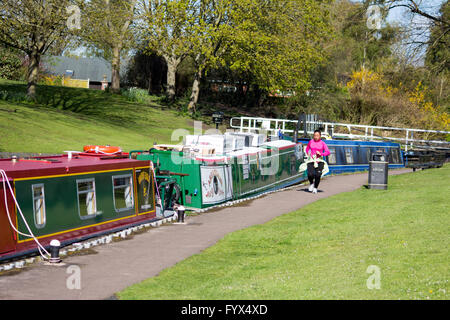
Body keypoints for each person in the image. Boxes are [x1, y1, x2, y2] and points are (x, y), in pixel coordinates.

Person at [305, 130, 330, 194]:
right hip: (311, 160)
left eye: (317, 136)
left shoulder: (323, 143)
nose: (315, 137)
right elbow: (307, 149)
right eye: (314, 135)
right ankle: (311, 183)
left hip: (319, 161)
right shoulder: (311, 142)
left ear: (320, 136)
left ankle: (315, 188)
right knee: (310, 174)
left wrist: (321, 154)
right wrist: (308, 153)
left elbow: (328, 152)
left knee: (318, 175)